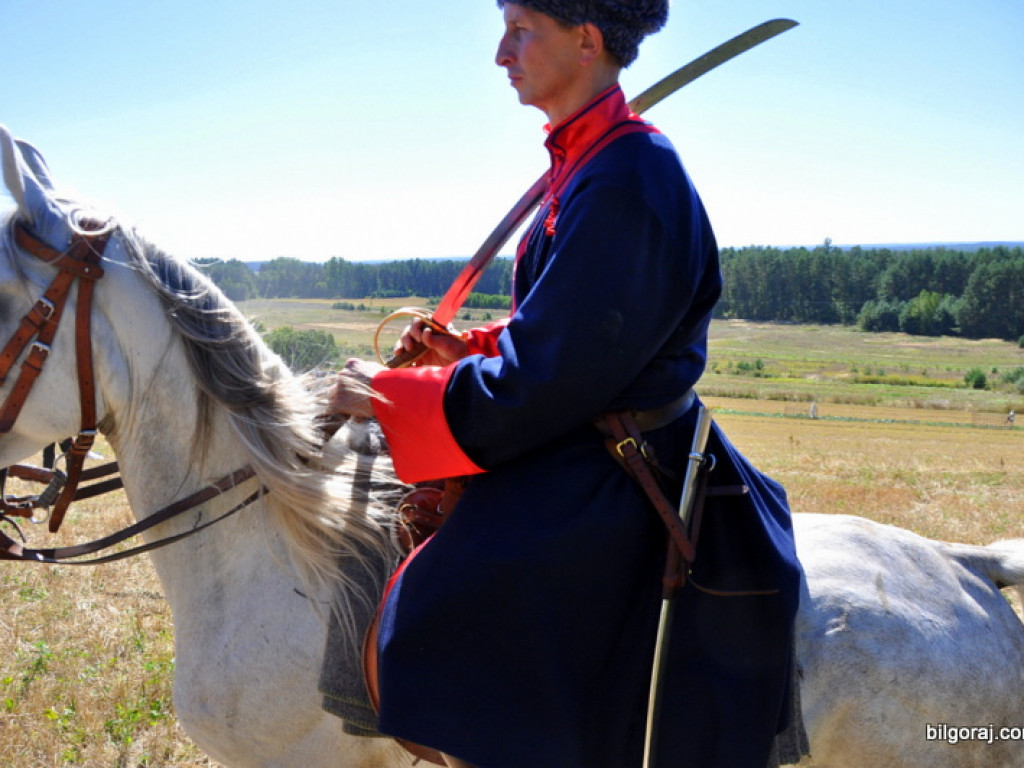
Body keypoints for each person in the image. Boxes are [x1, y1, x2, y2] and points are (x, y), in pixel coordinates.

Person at [334, 2, 803, 766]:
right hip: (582, 419)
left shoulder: (628, 174)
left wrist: (393, 396)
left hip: (621, 457)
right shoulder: (587, 161)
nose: (500, 53)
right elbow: (563, 331)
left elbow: (553, 378)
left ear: (586, 41)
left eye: (522, 29)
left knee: (451, 598)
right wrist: (467, 349)